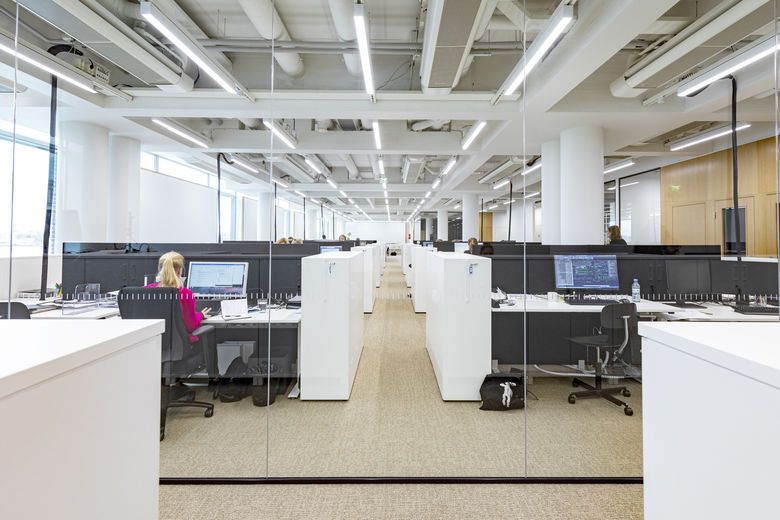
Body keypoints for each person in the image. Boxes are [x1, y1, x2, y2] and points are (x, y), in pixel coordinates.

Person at [146, 251, 210, 343]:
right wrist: (200, 315)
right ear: (180, 271)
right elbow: (191, 326)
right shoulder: (185, 294)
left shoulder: (146, 291)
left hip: (152, 344)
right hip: (180, 346)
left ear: (159, 268)